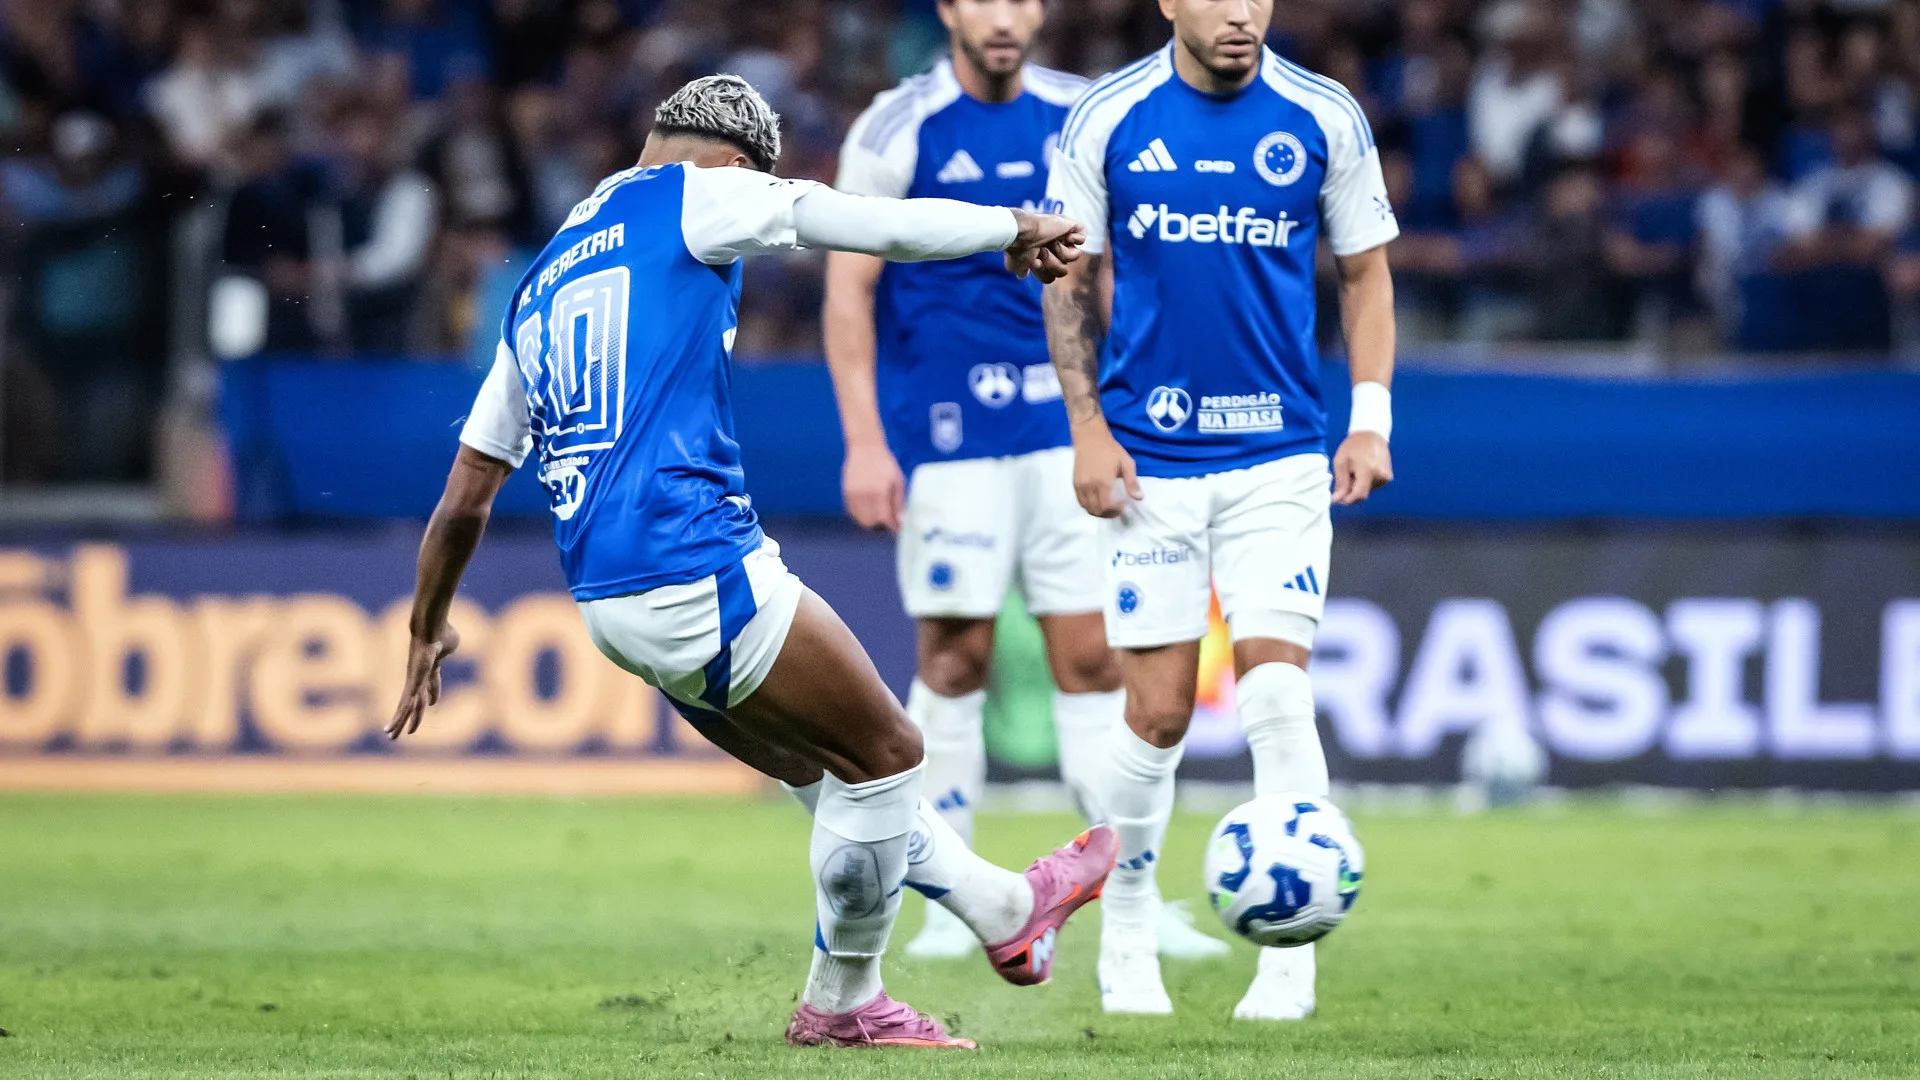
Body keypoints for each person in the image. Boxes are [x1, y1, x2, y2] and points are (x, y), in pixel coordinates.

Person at [386, 74, 1113, 1051]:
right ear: (734, 163)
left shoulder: (545, 277)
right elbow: (859, 221)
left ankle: (1004, 908)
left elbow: (465, 493)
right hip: (694, 560)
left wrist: (427, 622)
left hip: (611, 599)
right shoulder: (698, 193)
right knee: (890, 756)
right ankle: (845, 1004)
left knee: (830, 773)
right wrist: (1009, 230)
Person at [823, 0, 1227, 963]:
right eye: (983, 0)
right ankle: (948, 904)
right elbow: (850, 287)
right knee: (952, 659)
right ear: (948, 11)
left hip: (1065, 429)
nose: (1004, 18)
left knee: (1092, 660)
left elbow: (1119, 269)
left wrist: (1121, 413)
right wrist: (864, 442)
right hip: (950, 435)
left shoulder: (1084, 111)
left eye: (1022, 0)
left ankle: (1134, 898)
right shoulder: (897, 124)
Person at [1043, 0, 1400, 1018]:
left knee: (1277, 695)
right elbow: (1067, 278)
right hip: (1148, 461)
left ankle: (1292, 955)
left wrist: (1369, 420)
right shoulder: (1108, 118)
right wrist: (1086, 429)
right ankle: (1126, 922)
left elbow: (1367, 274)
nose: (1241, 12)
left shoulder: (1321, 114)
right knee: (1155, 714)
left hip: (1279, 459)